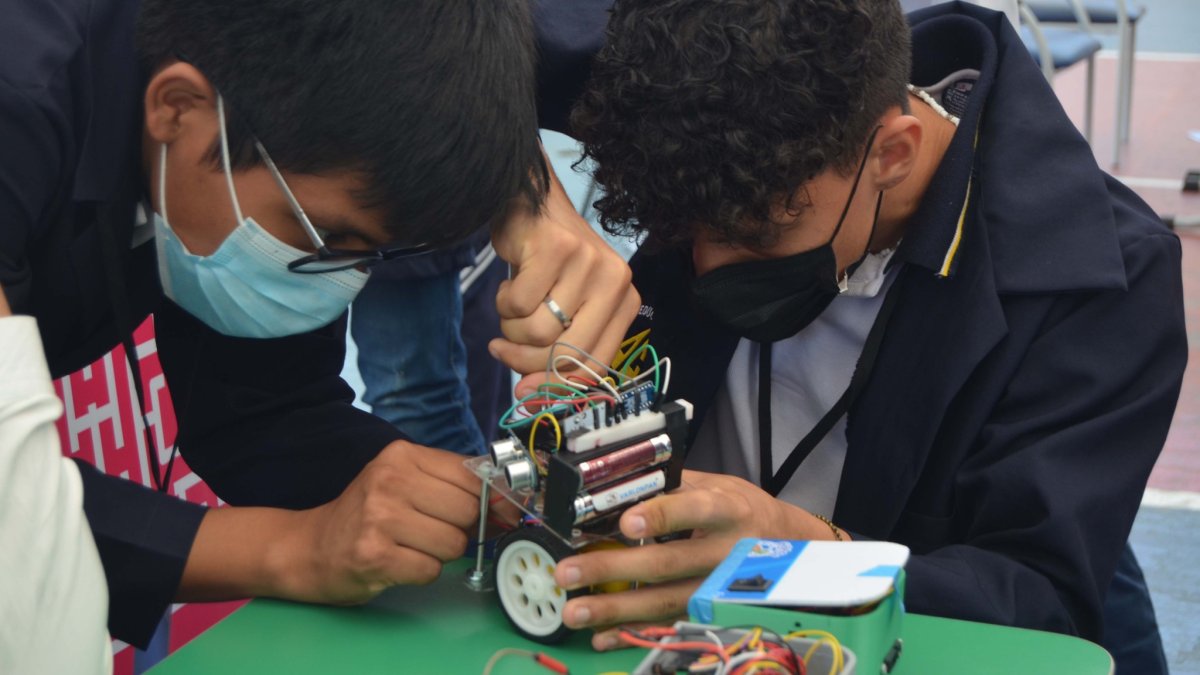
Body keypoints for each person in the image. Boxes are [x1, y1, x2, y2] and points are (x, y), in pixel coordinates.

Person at [552, 2, 1185, 672]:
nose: (705, 267)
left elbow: (1037, 600)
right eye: (682, 230)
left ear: (892, 153)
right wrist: (528, 208)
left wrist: (806, 552)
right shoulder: (694, 104)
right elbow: (491, 53)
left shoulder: (1098, 285)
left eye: (756, 234)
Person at [0, 0, 638, 659]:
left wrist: (455, 499)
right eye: (328, 238)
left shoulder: (267, 123)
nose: (340, 280)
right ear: (178, 108)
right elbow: (11, 512)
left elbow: (263, 413)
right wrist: (290, 550)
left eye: (370, 254)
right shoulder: (22, 86)